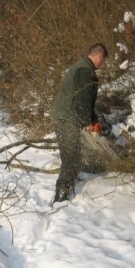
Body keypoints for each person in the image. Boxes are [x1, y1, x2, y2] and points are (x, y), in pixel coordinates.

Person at [50, 43, 108, 203]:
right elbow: (82, 100)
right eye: (103, 61)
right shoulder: (84, 70)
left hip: (67, 116)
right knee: (70, 156)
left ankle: (69, 187)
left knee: (74, 154)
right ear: (100, 57)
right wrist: (87, 122)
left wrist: (94, 120)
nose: (102, 65)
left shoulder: (83, 68)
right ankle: (61, 195)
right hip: (66, 118)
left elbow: (87, 101)